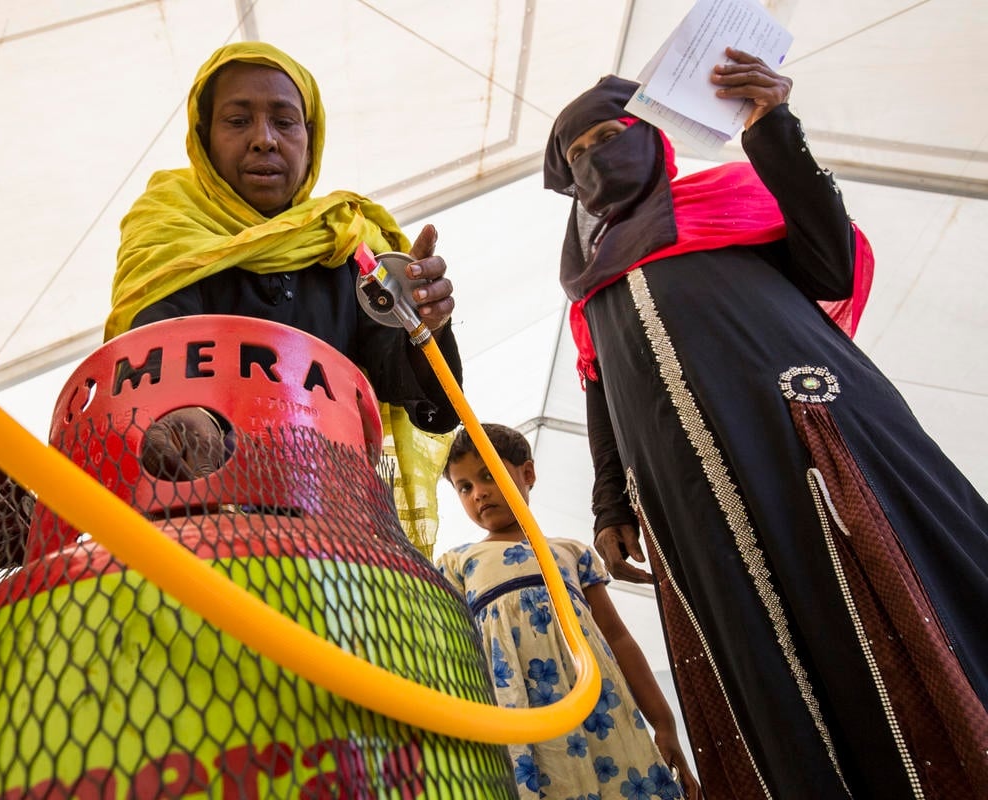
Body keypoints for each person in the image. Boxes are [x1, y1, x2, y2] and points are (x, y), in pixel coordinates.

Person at [543, 48, 988, 798]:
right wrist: (612, 502)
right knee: (763, 652)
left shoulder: (738, 195)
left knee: (872, 602)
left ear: (652, 133)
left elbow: (833, 267)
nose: (597, 158)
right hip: (690, 496)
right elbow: (600, 393)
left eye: (612, 134)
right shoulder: (587, 287)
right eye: (578, 154)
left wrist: (772, 127)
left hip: (803, 443)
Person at [105, 42, 462, 556]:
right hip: (192, 538)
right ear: (203, 139)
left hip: (336, 543)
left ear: (310, 139)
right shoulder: (168, 230)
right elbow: (154, 358)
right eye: (236, 120)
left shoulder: (349, 247)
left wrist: (424, 322)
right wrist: (182, 417)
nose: (263, 140)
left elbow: (433, 405)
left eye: (285, 122)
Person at [435, 423, 699, 800]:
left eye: (489, 475)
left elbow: (619, 639)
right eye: (464, 487)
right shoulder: (457, 564)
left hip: (603, 716)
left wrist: (664, 723)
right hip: (523, 728)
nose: (478, 493)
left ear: (527, 473)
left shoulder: (572, 553)